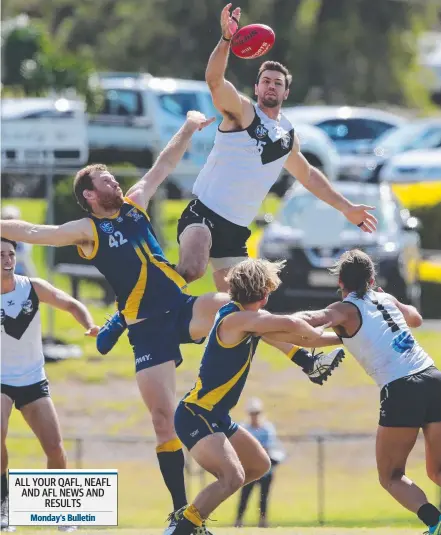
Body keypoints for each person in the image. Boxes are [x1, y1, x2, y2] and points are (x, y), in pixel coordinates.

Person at [0, 112, 344, 534]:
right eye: (106, 181)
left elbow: (162, 165)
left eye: (114, 178)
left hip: (181, 307)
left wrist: (187, 127)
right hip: (147, 328)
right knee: (162, 418)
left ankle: (305, 360)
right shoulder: (88, 230)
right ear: (89, 194)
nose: (116, 183)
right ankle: (181, 513)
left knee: (244, 312)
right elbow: (32, 229)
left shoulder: (134, 205)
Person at [175, 4, 378, 293]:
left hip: (235, 230)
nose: (271, 86)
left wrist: (346, 208)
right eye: (266, 81)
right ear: (256, 88)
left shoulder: (287, 136)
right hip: (205, 213)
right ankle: (140, 302)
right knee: (192, 270)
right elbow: (214, 80)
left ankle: (226, 336)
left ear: (286, 92)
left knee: (243, 305)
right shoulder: (243, 112)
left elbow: (308, 175)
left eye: (278, 83)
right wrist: (226, 40)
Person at [170, 258, 342, 535]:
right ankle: (182, 528)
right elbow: (293, 324)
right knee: (233, 476)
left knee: (258, 465)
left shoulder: (247, 319)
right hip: (196, 414)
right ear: (265, 294)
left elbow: (297, 335)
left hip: (215, 416)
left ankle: (192, 519)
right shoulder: (238, 318)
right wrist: (328, 326)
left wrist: (344, 339)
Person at [296, 249, 441, 535]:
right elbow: (415, 319)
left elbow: (312, 321)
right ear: (372, 279)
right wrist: (390, 300)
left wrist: (265, 323)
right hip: (433, 377)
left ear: (340, 282)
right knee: (437, 471)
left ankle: (436, 522)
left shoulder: (344, 310)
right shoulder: (385, 298)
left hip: (402, 387)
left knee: (391, 476)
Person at [0, 238, 100, 533]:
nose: (7, 259)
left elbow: (70, 303)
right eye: (1, 255)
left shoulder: (32, 286)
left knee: (55, 448)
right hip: (1, 380)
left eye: (11, 254)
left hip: (33, 379)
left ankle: (60, 512)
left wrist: (89, 324)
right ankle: (4, 505)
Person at [234, 397, 283, 528]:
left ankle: (262, 521)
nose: (254, 416)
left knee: (263, 496)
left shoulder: (267, 428)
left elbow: (268, 448)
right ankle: (238, 521)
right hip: (249, 469)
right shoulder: (244, 428)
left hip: (265, 469)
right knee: (245, 496)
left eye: (256, 413)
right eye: (252, 413)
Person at [1, 206, 36, 278]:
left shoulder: (23, 241)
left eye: (12, 220)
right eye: (7, 220)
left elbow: (25, 259)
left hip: (20, 275)